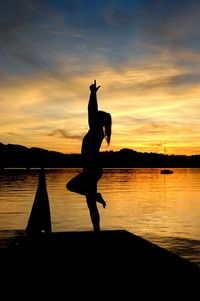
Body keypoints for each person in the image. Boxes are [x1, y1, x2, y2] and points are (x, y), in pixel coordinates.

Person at [66, 80, 112, 232]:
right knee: (90, 202)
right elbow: (92, 112)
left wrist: (93, 94)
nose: (94, 116)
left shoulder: (96, 130)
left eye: (97, 116)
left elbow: (91, 110)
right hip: (92, 168)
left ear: (99, 120)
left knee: (71, 186)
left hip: (92, 168)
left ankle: (97, 198)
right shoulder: (97, 131)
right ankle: (97, 230)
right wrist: (93, 94)